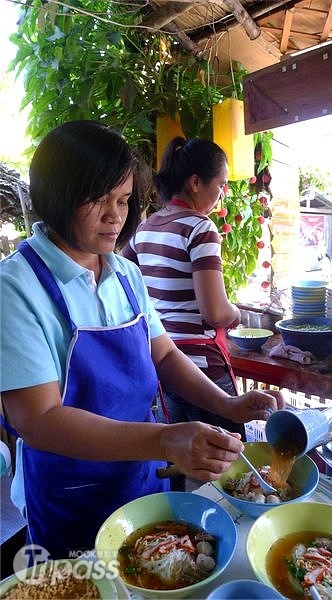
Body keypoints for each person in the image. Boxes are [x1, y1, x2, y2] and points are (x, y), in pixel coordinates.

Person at [0, 121, 285, 559]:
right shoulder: (15, 287)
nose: (116, 215)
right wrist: (164, 439)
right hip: (71, 493)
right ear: (57, 196)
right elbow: (38, 420)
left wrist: (226, 405)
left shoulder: (125, 273)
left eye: (124, 199)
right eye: (99, 200)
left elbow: (165, 353)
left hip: (141, 478)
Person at [121, 137, 244, 436]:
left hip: (165, 369)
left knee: (180, 460)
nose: (221, 194)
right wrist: (235, 313)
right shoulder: (201, 229)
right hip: (204, 369)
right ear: (195, 183)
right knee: (230, 464)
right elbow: (214, 312)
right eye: (220, 185)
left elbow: (126, 288)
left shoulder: (144, 229)